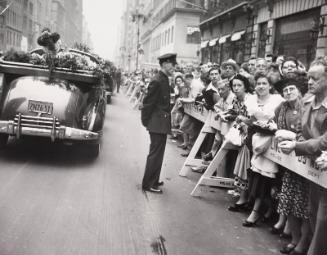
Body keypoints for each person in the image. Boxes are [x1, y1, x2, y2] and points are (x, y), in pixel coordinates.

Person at [278, 58, 327, 255]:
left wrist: (298, 146)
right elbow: (300, 129)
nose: (310, 82)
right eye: (308, 78)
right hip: (311, 166)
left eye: (315, 78)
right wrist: (296, 140)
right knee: (313, 213)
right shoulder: (307, 101)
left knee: (323, 220)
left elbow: (324, 141)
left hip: (323, 165)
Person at [274, 77, 311, 255]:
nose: (288, 92)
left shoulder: (307, 107)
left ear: (299, 91)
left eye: (291, 89)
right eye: (285, 90)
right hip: (290, 162)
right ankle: (294, 240)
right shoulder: (282, 108)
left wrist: (294, 138)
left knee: (304, 206)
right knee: (288, 202)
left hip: (306, 160)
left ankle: (303, 243)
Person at [243, 72, 284, 227]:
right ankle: (264, 209)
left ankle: (257, 212)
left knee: (266, 177)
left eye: (264, 83)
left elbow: (279, 121)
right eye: (258, 83)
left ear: (270, 86)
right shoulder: (252, 101)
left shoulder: (277, 101)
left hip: (271, 141)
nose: (261, 86)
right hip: (256, 139)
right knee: (256, 174)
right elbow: (251, 119)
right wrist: (249, 122)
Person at [141, 53, 177, 194]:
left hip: (160, 122)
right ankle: (148, 183)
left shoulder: (163, 79)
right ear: (165, 64)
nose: (174, 67)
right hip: (157, 123)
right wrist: (146, 121)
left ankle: (154, 179)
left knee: (159, 153)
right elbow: (148, 103)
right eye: (172, 64)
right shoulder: (157, 80)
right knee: (155, 154)